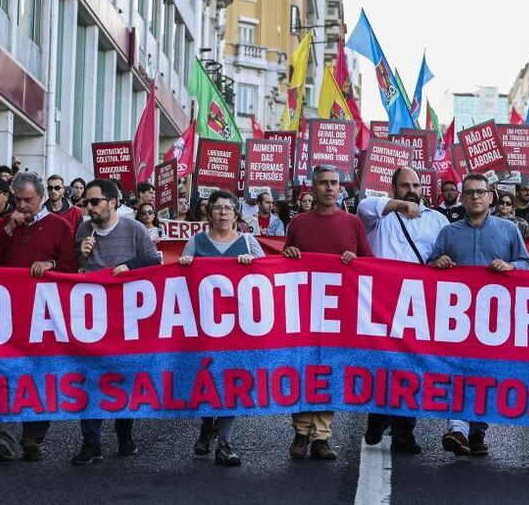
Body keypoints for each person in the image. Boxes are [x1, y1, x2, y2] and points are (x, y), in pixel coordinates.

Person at [429, 173, 529, 457]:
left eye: (480, 192)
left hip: (493, 318)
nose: (475, 196)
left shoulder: (509, 230)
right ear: (462, 197)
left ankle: (477, 432)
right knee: (458, 371)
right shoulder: (448, 233)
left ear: (490, 197)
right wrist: (438, 263)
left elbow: (526, 264)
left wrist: (511, 266)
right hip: (457, 319)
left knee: (485, 374)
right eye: (470, 192)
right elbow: (428, 269)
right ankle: (457, 428)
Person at [0, 172, 78, 462]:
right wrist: (7, 230)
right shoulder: (7, 224)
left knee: (39, 376)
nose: (22, 206)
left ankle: (33, 437)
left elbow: (70, 267)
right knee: (4, 373)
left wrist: (50, 264)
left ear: (41, 198)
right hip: (9, 314)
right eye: (18, 199)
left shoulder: (59, 227)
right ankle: (3, 438)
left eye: (28, 200)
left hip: (43, 316)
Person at [283, 164, 372, 461]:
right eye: (324, 183)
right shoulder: (298, 223)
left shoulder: (353, 223)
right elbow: (285, 260)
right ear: (313, 187)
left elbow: (369, 264)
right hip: (304, 309)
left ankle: (321, 436)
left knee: (328, 371)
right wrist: (290, 255)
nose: (330, 188)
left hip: (339, 312)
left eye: (335, 183)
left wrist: (354, 259)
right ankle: (300, 432)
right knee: (303, 368)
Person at [358, 167, 448, 455]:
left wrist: (441, 263)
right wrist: (400, 206)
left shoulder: (437, 220)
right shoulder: (378, 217)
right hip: (381, 302)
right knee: (384, 364)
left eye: (417, 185)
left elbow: (445, 254)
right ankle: (377, 416)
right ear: (393, 187)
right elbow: (363, 207)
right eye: (405, 185)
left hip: (418, 304)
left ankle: (403, 432)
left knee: (410, 368)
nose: (412, 190)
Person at [72, 179, 161, 465]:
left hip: (126, 319)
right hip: (92, 319)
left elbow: (154, 263)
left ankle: (125, 434)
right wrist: (80, 255)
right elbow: (73, 269)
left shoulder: (134, 229)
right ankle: (91, 442)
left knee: (124, 378)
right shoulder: (84, 229)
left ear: (112, 203)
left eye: (94, 201)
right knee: (89, 378)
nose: (89, 206)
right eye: (86, 202)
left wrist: (129, 267)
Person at [179, 190, 265, 467]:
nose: (223, 213)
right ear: (209, 214)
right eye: (218, 208)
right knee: (207, 379)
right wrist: (184, 265)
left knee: (231, 382)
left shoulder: (249, 242)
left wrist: (253, 265)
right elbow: (179, 281)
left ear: (236, 214)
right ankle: (208, 425)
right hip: (204, 326)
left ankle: (225, 443)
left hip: (237, 327)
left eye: (228, 208)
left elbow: (269, 275)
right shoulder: (195, 242)